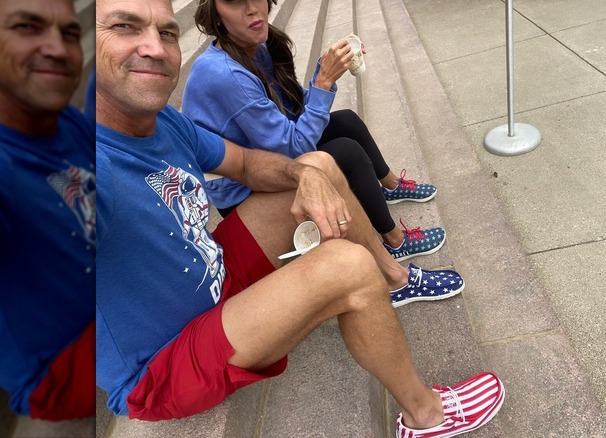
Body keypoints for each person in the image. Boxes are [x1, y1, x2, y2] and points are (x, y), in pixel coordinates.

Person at [95, 0, 504, 435]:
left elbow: (246, 162)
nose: (155, 48)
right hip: (162, 366)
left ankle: (394, 278)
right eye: (124, 27)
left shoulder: (164, 121)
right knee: (347, 267)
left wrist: (303, 175)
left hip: (214, 272)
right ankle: (426, 416)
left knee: (320, 165)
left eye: (167, 32)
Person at [181, 0, 444, 262]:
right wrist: (323, 82)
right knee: (347, 153)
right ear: (214, 12)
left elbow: (294, 108)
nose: (252, 8)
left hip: (266, 153)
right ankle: (395, 243)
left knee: (346, 121)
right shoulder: (224, 74)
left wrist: (327, 68)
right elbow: (294, 148)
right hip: (242, 190)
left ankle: (391, 186)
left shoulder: (255, 46)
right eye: (234, 1)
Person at [0, 0, 95, 421]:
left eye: (70, 33)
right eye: (27, 27)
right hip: (59, 370)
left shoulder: (62, 119)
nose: (58, 48)